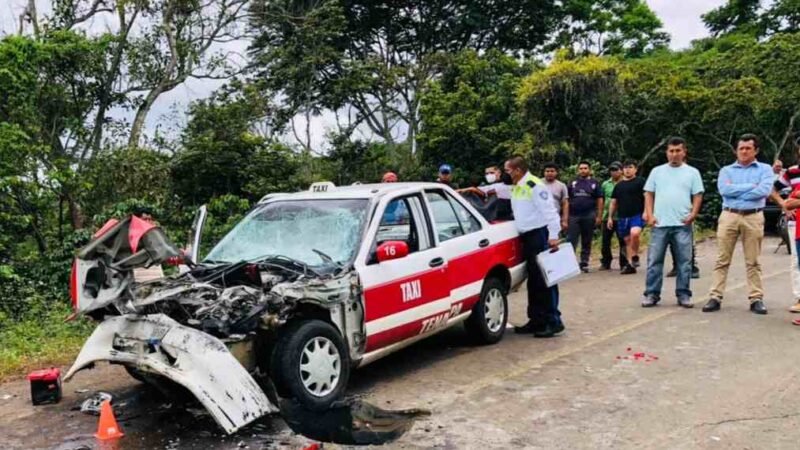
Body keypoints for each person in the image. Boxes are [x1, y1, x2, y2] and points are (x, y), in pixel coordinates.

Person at [703, 134, 773, 314]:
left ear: (756, 150)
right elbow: (724, 190)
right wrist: (751, 186)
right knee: (722, 259)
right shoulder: (726, 170)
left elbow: (764, 191)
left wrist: (737, 192)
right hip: (729, 215)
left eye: (748, 148)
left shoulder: (765, 169)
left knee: (753, 260)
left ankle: (756, 298)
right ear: (736, 150)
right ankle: (715, 296)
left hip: (753, 216)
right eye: (741, 148)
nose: (744, 151)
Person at [504, 156, 564, 338]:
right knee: (534, 281)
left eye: (508, 171)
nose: (506, 174)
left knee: (545, 279)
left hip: (539, 235)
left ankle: (553, 321)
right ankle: (537, 319)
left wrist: (554, 236)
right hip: (528, 237)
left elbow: (550, 211)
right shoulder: (518, 186)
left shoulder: (534, 185)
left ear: (517, 170)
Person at [641, 137, 704, 308]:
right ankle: (652, 294)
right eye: (671, 151)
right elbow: (648, 193)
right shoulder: (657, 171)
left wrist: (693, 214)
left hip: (682, 224)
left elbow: (698, 195)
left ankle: (683, 294)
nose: (674, 154)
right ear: (667, 152)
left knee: (685, 262)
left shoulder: (692, 172)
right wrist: (649, 215)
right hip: (659, 224)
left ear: (684, 152)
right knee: (654, 261)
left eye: (678, 151)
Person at [771, 143, 800, 313]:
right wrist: (784, 206)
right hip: (796, 222)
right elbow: (773, 190)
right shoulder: (792, 171)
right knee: (796, 260)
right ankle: (799, 297)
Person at [608, 160, 646, 275]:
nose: (627, 170)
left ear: (635, 169)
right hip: (623, 216)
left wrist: (647, 212)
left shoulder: (640, 182)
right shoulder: (619, 186)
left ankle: (634, 255)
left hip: (637, 214)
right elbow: (613, 202)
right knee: (627, 240)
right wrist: (610, 217)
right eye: (625, 167)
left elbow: (647, 197)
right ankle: (630, 265)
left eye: (630, 167)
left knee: (635, 233)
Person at [567, 161, 603, 272]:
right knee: (571, 239)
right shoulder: (572, 182)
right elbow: (566, 199)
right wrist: (565, 216)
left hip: (589, 215)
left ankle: (584, 262)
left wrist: (599, 216)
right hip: (573, 215)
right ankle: (570, 263)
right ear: (578, 170)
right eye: (581, 168)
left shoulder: (594, 183)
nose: (583, 170)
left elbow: (600, 199)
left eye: (585, 168)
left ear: (589, 170)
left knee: (587, 239)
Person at [600, 162, 628, 270]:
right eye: (612, 170)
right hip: (607, 216)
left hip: (622, 216)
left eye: (616, 170)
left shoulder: (626, 182)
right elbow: (602, 199)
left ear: (621, 170)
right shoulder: (605, 184)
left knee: (623, 241)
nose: (614, 172)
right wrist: (601, 214)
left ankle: (624, 263)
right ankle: (606, 262)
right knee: (605, 241)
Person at [542, 162, 569, 231]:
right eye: (547, 171)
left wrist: (565, 220)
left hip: (554, 218)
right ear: (544, 172)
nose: (549, 173)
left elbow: (565, 203)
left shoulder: (561, 186)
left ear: (556, 173)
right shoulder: (537, 184)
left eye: (552, 171)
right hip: (539, 219)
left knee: (554, 237)